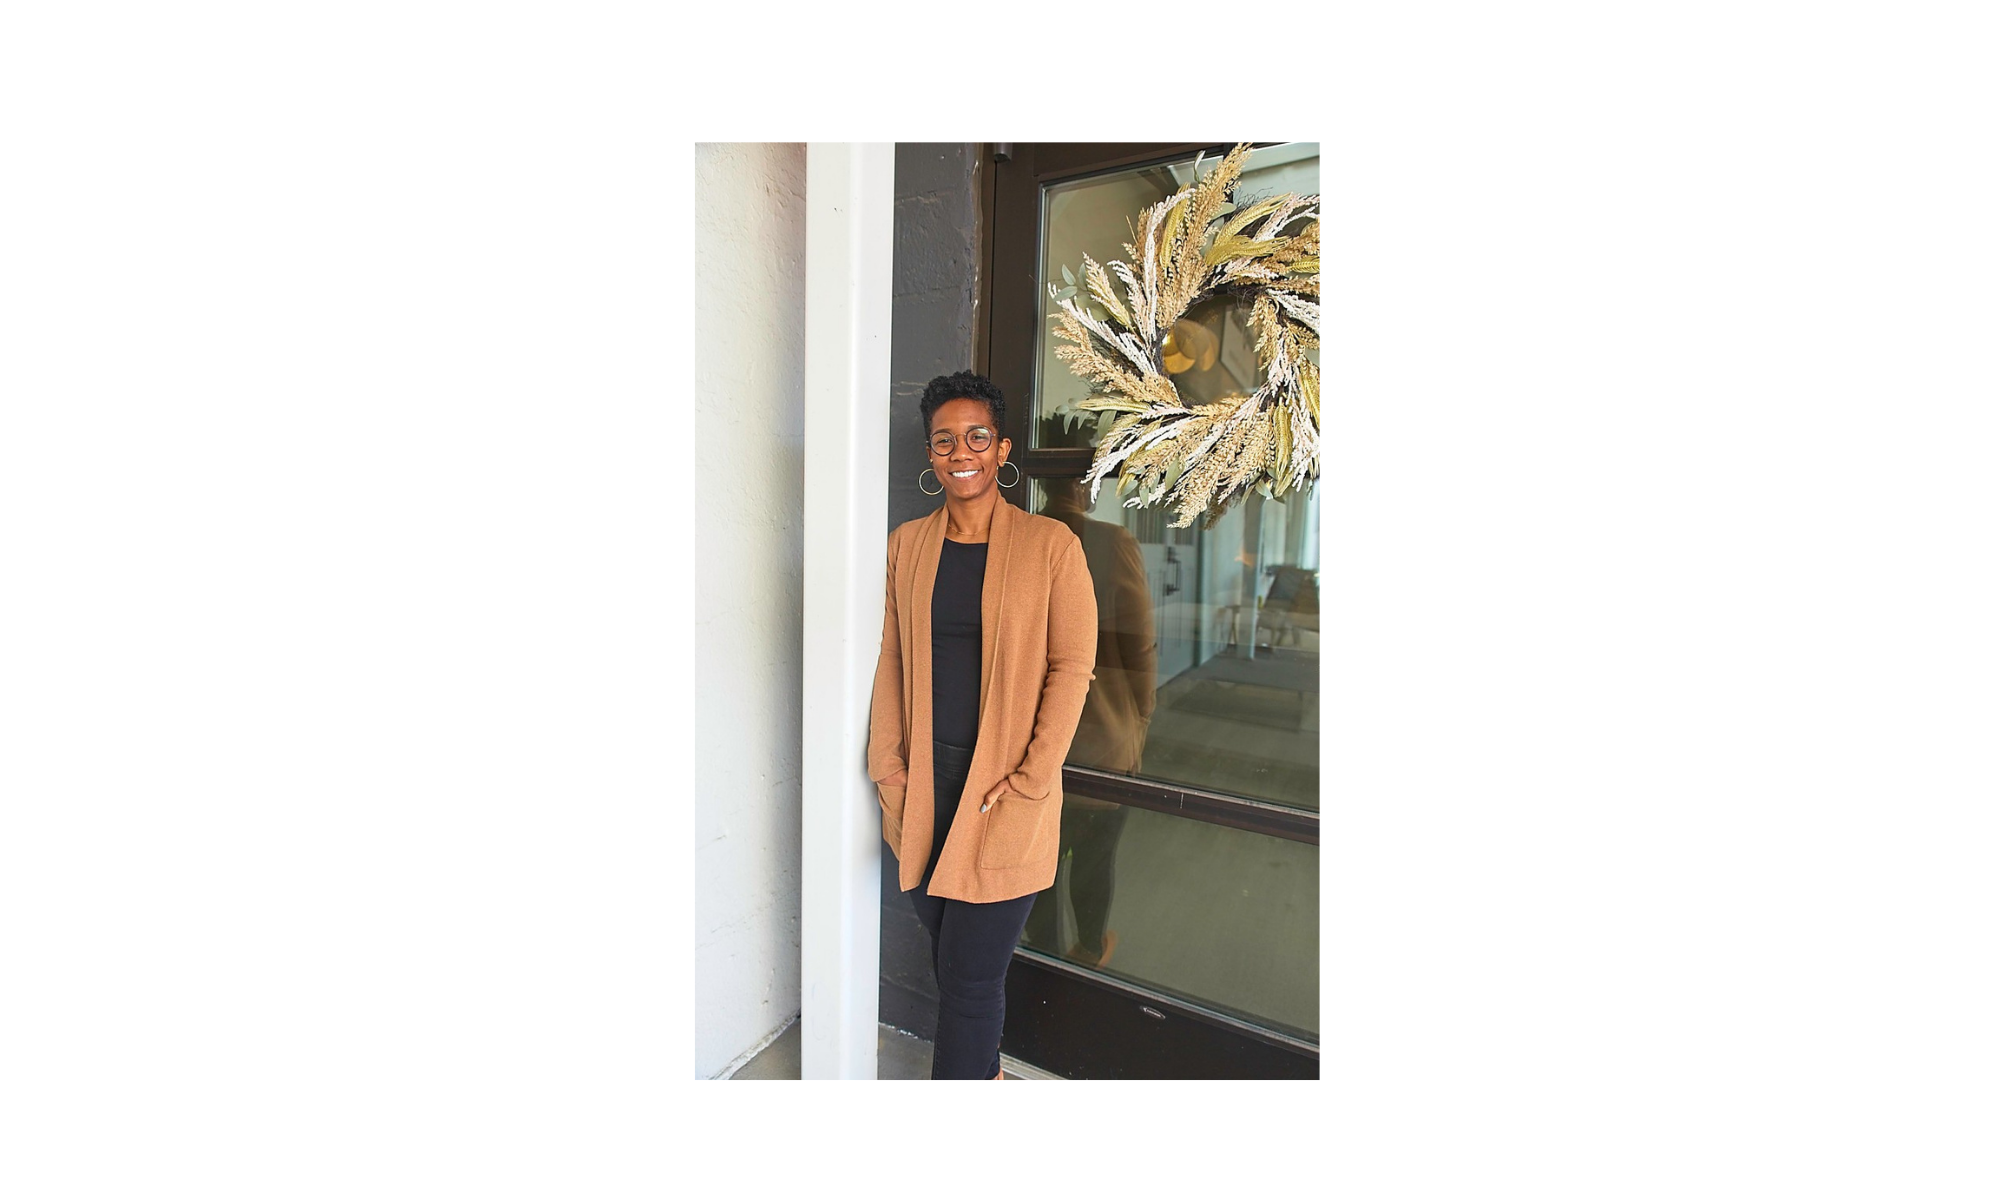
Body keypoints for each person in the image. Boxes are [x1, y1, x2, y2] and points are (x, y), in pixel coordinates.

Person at [868, 371, 1097, 1088]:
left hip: (1002, 790)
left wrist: (1033, 775)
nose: (960, 451)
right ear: (930, 455)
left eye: (976, 437)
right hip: (923, 788)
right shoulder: (907, 546)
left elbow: (1072, 665)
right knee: (954, 963)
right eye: (944, 440)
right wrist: (888, 764)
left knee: (969, 979)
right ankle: (990, 1075)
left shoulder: (1051, 545)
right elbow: (890, 657)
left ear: (1001, 449)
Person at [1023, 479, 1158, 968]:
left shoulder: (1020, 535)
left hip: (1029, 741)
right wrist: (1140, 719)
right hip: (1100, 736)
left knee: (1036, 860)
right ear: (1085, 485)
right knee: (1095, 858)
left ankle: (1043, 952)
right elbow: (1138, 645)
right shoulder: (1110, 543)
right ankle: (1089, 950)